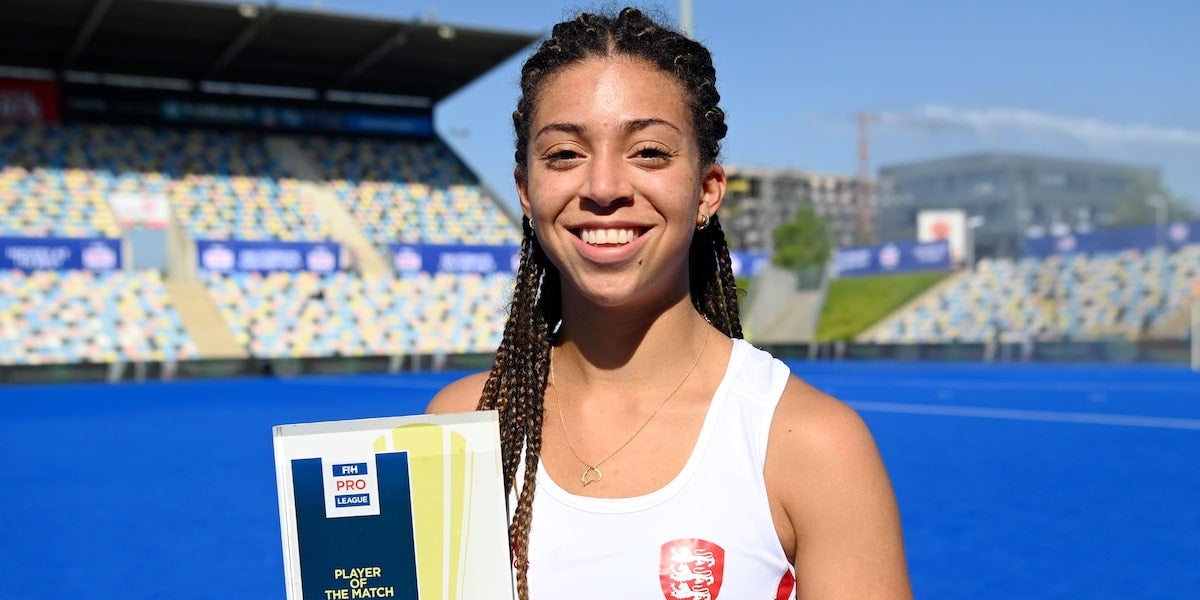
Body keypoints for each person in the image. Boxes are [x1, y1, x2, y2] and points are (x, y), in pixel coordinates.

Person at [427, 7, 911, 599]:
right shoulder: (462, 423)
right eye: (563, 155)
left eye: (649, 152)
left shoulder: (811, 443)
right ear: (526, 192)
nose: (603, 187)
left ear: (707, 191)